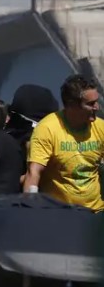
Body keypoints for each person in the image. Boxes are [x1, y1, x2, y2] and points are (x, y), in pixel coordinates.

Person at [23, 74, 104, 212]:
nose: (97, 107)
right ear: (72, 105)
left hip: (95, 212)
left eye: (96, 101)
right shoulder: (47, 128)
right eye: (90, 104)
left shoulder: (101, 127)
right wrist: (29, 212)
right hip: (61, 213)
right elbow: (33, 173)